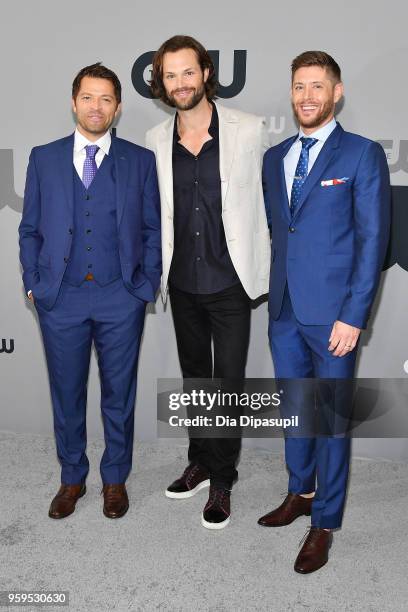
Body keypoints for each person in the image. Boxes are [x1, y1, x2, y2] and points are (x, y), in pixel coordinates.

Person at [259, 51, 390, 572]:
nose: (307, 96)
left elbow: (372, 240)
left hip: (336, 315)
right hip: (285, 310)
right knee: (297, 413)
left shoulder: (361, 155)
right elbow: (280, 232)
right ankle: (300, 493)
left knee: (332, 422)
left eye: (317, 86)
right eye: (298, 87)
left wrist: (355, 315)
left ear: (336, 93)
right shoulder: (275, 159)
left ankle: (325, 522)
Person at [19, 63, 161, 520]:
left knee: (119, 394)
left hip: (121, 296)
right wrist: (34, 284)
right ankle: (72, 477)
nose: (96, 106)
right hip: (60, 297)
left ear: (117, 108)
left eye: (105, 99)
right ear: (74, 102)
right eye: (87, 97)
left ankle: (115, 479)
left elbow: (152, 228)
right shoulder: (44, 157)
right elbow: (30, 228)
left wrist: (146, 284)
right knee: (67, 392)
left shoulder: (139, 161)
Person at [146, 35, 270, 529]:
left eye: (188, 72)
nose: (180, 83)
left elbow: (269, 202)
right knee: (197, 377)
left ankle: (223, 477)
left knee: (228, 384)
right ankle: (199, 459)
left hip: (231, 280)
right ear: (162, 82)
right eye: (170, 75)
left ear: (205, 73)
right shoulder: (156, 140)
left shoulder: (249, 129)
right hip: (182, 278)